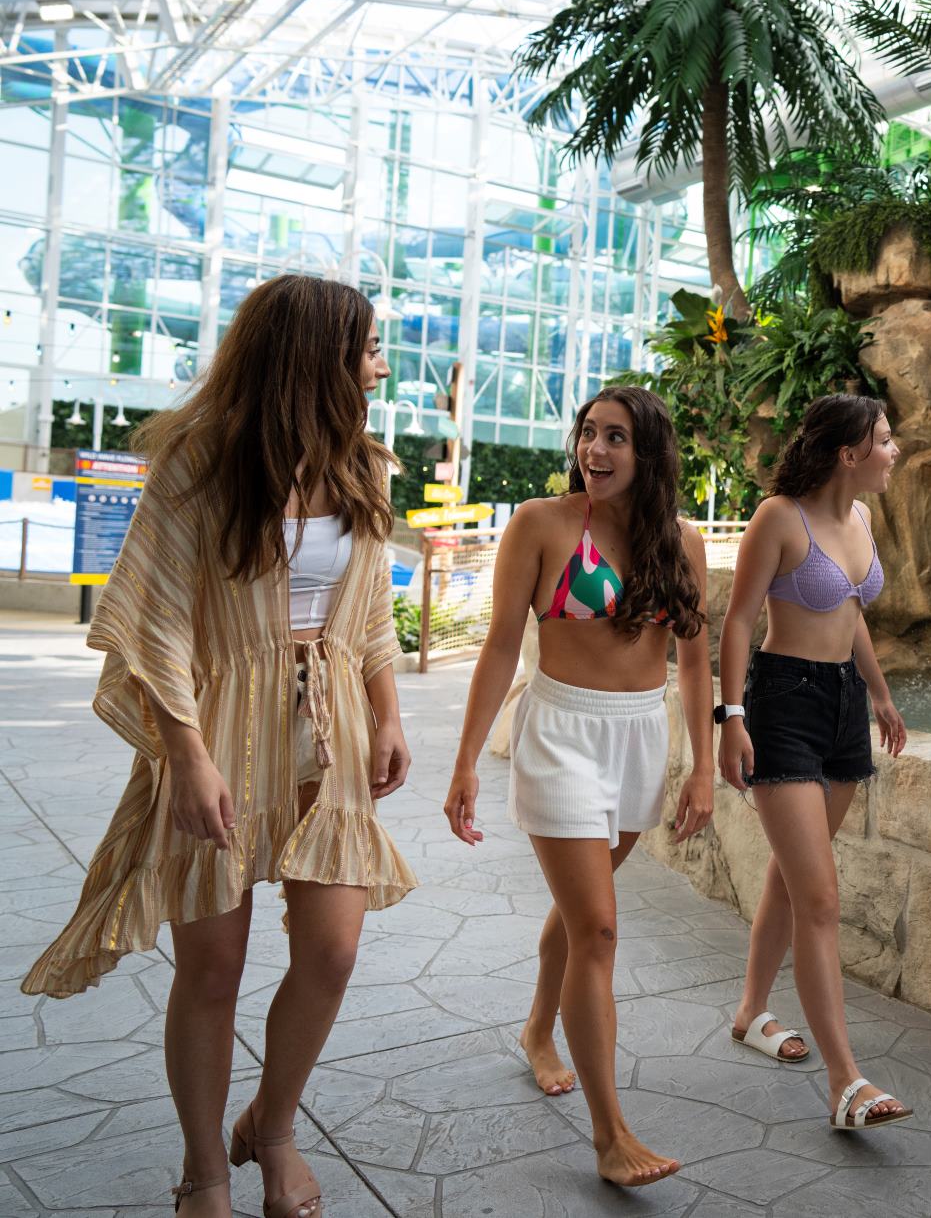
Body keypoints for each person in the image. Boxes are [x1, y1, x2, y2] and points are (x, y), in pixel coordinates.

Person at [21, 273, 417, 1218]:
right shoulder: (201, 465)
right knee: (214, 964)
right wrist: (186, 755)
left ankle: (270, 1127)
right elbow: (153, 624)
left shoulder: (365, 465)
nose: (379, 361)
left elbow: (367, 614)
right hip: (219, 726)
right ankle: (206, 1170)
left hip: (331, 731)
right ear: (313, 354)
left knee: (331, 951)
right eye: (366, 345)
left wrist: (390, 710)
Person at [441, 385, 717, 1187]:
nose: (595, 450)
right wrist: (464, 759)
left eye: (617, 438)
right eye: (589, 433)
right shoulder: (540, 523)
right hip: (560, 732)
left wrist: (701, 762)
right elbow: (498, 647)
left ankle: (538, 1028)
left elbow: (693, 662)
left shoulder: (683, 543)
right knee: (598, 928)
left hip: (639, 737)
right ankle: (610, 1134)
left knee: (577, 913)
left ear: (650, 453)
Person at [718, 393, 913, 1131]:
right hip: (784, 703)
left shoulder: (860, 518)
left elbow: (852, 614)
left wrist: (881, 694)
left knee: (793, 872)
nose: (894, 452)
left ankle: (748, 1011)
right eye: (885, 441)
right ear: (848, 451)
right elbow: (738, 617)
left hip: (842, 707)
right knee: (821, 898)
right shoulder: (779, 517)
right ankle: (847, 1081)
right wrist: (730, 716)